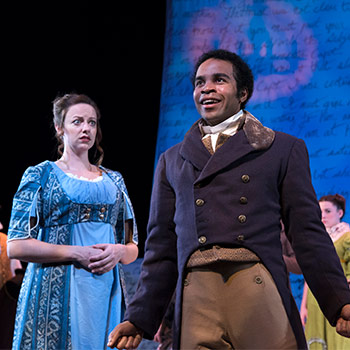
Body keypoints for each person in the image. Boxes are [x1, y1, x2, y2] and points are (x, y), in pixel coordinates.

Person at [107, 49, 350, 350]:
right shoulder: (172, 161)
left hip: (258, 294)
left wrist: (338, 301)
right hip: (198, 299)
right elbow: (162, 247)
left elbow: (307, 232)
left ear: (243, 92)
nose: (206, 88)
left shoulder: (281, 149)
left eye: (219, 80)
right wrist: (140, 317)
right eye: (199, 82)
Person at [7, 93, 139, 350]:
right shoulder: (41, 175)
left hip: (103, 293)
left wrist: (119, 250)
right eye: (77, 121)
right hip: (55, 289)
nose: (86, 128)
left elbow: (133, 247)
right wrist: (75, 252)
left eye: (92, 122)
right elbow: (16, 245)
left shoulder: (115, 181)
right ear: (60, 128)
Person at [300, 194, 350, 349]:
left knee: (338, 338)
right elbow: (311, 274)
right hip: (315, 298)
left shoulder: (346, 237)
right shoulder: (317, 239)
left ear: (340, 213)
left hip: (339, 296)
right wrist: (304, 305)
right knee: (316, 340)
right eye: (320, 211)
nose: (323, 216)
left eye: (328, 211)